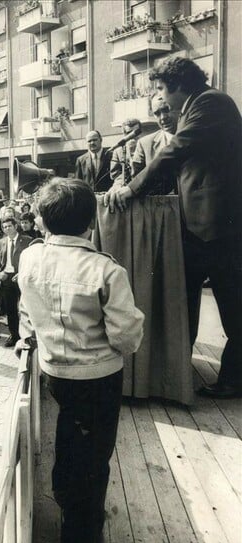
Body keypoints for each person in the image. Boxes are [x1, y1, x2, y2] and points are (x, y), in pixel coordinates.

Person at [104, 55, 242, 399]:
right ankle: (179, 370)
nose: (162, 99)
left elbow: (173, 154)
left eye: (163, 89)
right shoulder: (200, 105)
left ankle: (235, 381)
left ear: (180, 84)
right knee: (187, 300)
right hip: (202, 225)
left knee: (234, 307)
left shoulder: (211, 103)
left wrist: (131, 188)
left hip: (218, 227)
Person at [19, 178, 144, 543]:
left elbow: (27, 312)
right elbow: (126, 337)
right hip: (98, 377)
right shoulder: (106, 270)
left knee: (71, 435)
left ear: (41, 220)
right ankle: (80, 534)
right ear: (92, 221)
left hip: (55, 371)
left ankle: (65, 498)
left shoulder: (29, 257)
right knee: (94, 455)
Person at [0, 217, 32, 347]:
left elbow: (32, 262)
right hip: (6, 278)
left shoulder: (27, 240)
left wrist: (21, 273)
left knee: (27, 307)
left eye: (9, 226)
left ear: (15, 226)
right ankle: (14, 335)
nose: (7, 229)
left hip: (21, 276)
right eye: (4, 227)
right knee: (10, 310)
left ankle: (28, 336)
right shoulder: (1, 241)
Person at [131, 93, 179, 194]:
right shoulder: (145, 144)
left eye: (166, 110)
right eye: (157, 113)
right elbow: (137, 182)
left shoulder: (196, 138)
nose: (163, 117)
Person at [110, 118, 141, 189]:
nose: (133, 136)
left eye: (135, 132)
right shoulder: (118, 151)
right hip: (124, 188)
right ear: (124, 134)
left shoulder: (147, 146)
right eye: (129, 133)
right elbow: (115, 174)